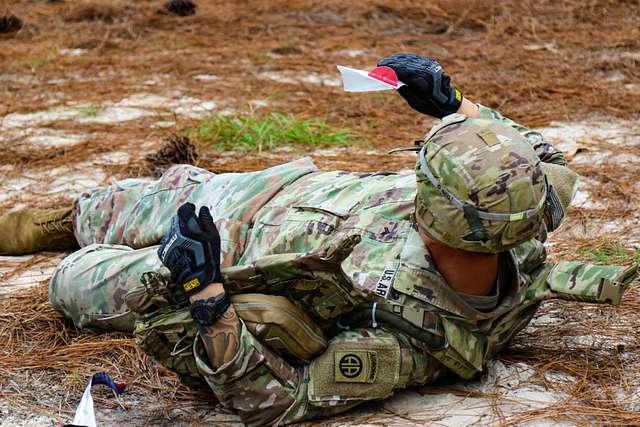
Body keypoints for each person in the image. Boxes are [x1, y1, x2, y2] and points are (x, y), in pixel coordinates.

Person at [0, 54, 636, 426]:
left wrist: (207, 296)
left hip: (224, 265)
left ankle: (91, 245)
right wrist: (454, 104)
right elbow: (530, 158)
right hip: (264, 194)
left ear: (436, 210)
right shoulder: (519, 224)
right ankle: (54, 224)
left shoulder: (410, 338)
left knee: (74, 281)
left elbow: (275, 403)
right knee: (104, 206)